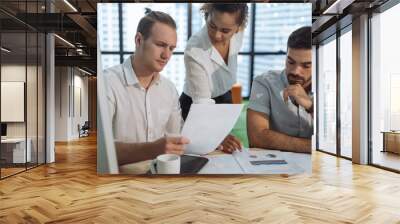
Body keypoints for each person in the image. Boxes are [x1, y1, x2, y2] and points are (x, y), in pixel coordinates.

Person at [103, 9, 189, 165]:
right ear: (138, 40)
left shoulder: (169, 89)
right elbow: (100, 149)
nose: (167, 55)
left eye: (171, 48)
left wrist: (215, 139)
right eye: (161, 45)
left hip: (162, 178)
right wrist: (152, 149)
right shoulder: (108, 83)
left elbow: (178, 137)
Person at [180, 3, 249, 153]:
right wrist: (217, 136)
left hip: (225, 95)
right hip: (196, 105)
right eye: (212, 26)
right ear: (207, 16)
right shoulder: (194, 49)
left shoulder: (239, 32)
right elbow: (203, 103)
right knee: (200, 152)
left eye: (225, 31)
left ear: (238, 28)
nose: (217, 35)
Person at [247, 26, 313, 153]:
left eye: (306, 66)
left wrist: (311, 106)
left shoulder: (329, 87)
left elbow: (337, 138)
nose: (295, 71)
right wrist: (310, 146)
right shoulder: (264, 82)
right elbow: (257, 138)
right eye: (291, 62)